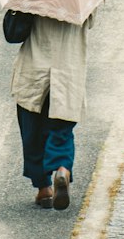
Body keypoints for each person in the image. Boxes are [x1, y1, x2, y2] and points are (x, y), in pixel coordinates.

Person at [10, 12, 94, 210]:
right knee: (61, 129)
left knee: (32, 129)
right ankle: (62, 168)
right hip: (68, 68)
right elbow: (89, 21)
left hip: (36, 64)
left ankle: (44, 188)